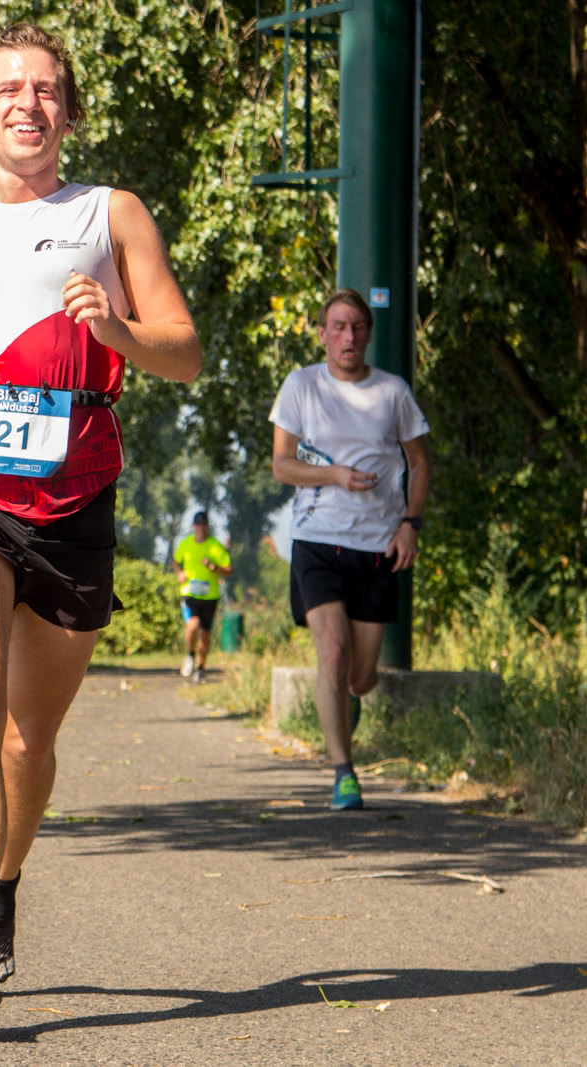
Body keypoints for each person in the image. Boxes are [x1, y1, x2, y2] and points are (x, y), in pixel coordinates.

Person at [0, 22, 201, 1021]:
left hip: (72, 490)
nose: (28, 102)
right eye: (8, 88)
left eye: (47, 89)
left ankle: (4, 880)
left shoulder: (112, 214)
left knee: (26, 737)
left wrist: (115, 330)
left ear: (67, 111)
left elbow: (182, 350)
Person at [268, 288, 430, 812]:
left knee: (360, 675)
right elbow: (281, 465)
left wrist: (410, 524)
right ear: (322, 333)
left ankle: (349, 699)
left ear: (368, 335)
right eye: (338, 327)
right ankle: (343, 772)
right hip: (317, 541)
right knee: (332, 653)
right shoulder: (301, 386)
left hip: (378, 546)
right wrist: (333, 475)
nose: (348, 337)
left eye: (357, 327)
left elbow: (420, 463)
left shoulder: (392, 392)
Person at [172, 510, 232, 683]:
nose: (200, 528)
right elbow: (175, 561)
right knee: (192, 625)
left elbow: (229, 569)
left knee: (205, 635)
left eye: (203, 525)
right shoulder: (186, 544)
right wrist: (179, 573)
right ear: (193, 526)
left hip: (210, 596)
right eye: (198, 525)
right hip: (189, 594)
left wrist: (214, 568)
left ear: (207, 527)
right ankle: (190, 655)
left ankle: (201, 669)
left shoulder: (215, 546)